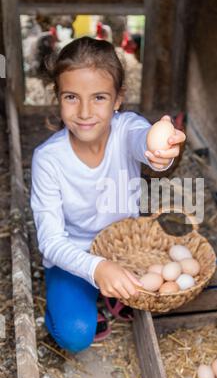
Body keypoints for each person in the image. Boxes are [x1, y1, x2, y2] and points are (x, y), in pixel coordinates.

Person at [30, 37, 186, 353]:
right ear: (58, 98)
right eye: (72, 97)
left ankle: (112, 294)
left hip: (126, 248)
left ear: (117, 100)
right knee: (75, 334)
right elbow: (50, 241)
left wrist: (161, 151)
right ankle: (95, 293)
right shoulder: (48, 159)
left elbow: (144, 141)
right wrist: (97, 268)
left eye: (99, 97)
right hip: (75, 256)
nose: (85, 112)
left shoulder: (127, 128)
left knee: (193, 274)